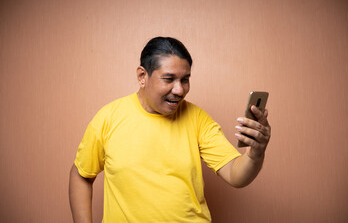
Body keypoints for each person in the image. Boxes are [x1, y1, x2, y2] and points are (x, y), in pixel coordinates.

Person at [69, 37, 271, 223]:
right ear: (142, 76)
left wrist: (255, 154)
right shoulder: (108, 118)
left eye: (185, 79)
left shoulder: (197, 119)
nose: (180, 90)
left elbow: (235, 175)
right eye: (169, 79)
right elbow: (81, 175)